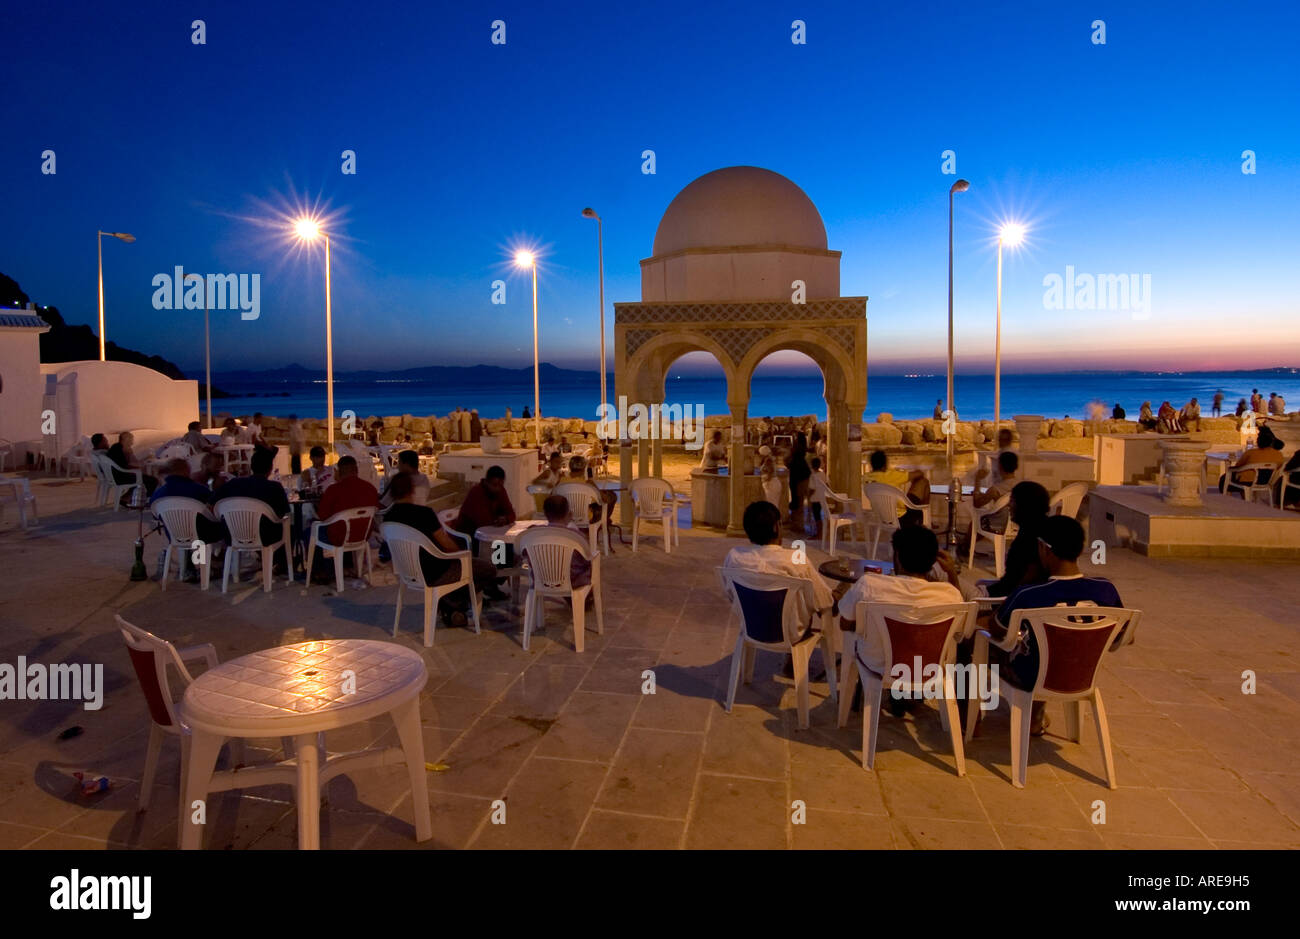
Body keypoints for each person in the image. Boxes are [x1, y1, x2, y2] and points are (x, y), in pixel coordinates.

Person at [987, 515, 1123, 736]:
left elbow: (997, 628)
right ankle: (1036, 716)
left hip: (1033, 678)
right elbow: (1122, 636)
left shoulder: (1029, 594)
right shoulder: (1106, 589)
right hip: (1082, 676)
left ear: (1044, 549)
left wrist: (1022, 584)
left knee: (987, 642)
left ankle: (970, 722)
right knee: (1050, 648)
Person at [837, 525, 963, 683]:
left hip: (879, 668)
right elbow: (961, 627)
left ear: (897, 556)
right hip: (928, 669)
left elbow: (844, 623)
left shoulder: (869, 585)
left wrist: (869, 625)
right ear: (933, 562)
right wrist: (951, 572)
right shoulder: (950, 594)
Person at [384, 473, 507, 626]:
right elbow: (446, 543)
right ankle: (453, 600)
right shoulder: (424, 513)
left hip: (408, 571)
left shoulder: (388, 517)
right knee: (489, 569)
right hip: (436, 570)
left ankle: (453, 605)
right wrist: (462, 556)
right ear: (412, 490)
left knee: (483, 562)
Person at [725, 500, 834, 634]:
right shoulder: (794, 560)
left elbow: (730, 594)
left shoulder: (734, 556)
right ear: (776, 527)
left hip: (752, 628)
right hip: (790, 633)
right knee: (827, 600)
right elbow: (825, 601)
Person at [213, 448, 290, 570]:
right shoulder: (274, 487)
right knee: (288, 526)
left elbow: (214, 504)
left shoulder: (232, 484)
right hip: (263, 537)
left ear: (251, 467)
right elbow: (283, 513)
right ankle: (282, 563)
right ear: (270, 468)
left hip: (232, 534)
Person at [983, 481, 1051, 598]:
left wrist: (987, 593)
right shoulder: (1037, 527)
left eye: (1012, 500)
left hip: (1009, 600)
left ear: (1024, 505)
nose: (1008, 505)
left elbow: (1021, 583)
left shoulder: (1030, 536)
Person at [317, 455, 379, 563]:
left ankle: (320, 571)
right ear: (356, 470)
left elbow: (322, 516)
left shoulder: (333, 490)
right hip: (363, 535)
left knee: (310, 530)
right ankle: (348, 563)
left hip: (339, 537)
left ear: (339, 471)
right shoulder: (370, 488)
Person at [533, 494, 592, 587]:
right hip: (571, 581)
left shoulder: (534, 535)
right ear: (568, 513)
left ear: (544, 513)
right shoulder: (576, 536)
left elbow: (523, 554)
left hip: (542, 581)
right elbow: (587, 557)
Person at [862, 449, 930, 526]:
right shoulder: (889, 476)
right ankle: (924, 518)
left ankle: (921, 519)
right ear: (884, 465)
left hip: (881, 516)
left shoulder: (866, 478)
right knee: (923, 481)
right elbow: (919, 473)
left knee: (913, 487)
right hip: (902, 518)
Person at [454, 465, 516, 538]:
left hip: (491, 532)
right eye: (494, 485)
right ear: (486, 482)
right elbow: (483, 523)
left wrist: (506, 519)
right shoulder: (476, 492)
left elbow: (511, 513)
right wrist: (498, 520)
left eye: (501, 485)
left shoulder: (501, 491)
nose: (498, 488)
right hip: (470, 534)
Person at [1221, 426, 1281, 494]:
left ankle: (1229, 499)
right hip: (1267, 481)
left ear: (1258, 441)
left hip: (1248, 481)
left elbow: (1239, 465)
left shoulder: (1251, 453)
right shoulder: (1278, 454)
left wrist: (1230, 468)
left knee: (1225, 478)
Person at [972, 450, 1018, 534]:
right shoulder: (1021, 485)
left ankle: (965, 547)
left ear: (1000, 467)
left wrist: (977, 480)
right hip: (1016, 524)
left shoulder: (995, 489)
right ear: (1016, 466)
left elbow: (977, 503)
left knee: (975, 523)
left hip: (1000, 525)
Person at [107, 431, 158, 499]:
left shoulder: (117, 446)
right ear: (125, 439)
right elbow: (126, 465)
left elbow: (134, 462)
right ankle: (148, 500)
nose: (132, 441)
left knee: (143, 476)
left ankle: (126, 498)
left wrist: (145, 459)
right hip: (120, 477)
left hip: (116, 475)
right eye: (131, 439)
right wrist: (139, 467)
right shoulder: (122, 449)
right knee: (153, 480)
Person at [786, 431, 811, 527]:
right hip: (799, 478)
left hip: (799, 479)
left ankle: (799, 525)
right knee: (797, 501)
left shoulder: (798, 451)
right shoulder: (800, 451)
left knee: (799, 502)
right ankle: (797, 523)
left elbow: (791, 463)